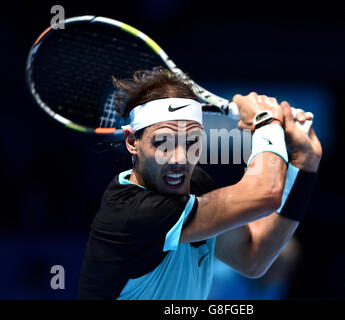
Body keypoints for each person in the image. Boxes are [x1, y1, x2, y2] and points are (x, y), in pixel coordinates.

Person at [78, 66, 322, 300]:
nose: (179, 159)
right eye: (162, 142)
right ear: (132, 141)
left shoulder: (197, 185)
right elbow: (266, 192)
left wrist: (304, 161)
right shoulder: (132, 213)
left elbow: (253, 257)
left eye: (191, 141)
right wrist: (266, 122)